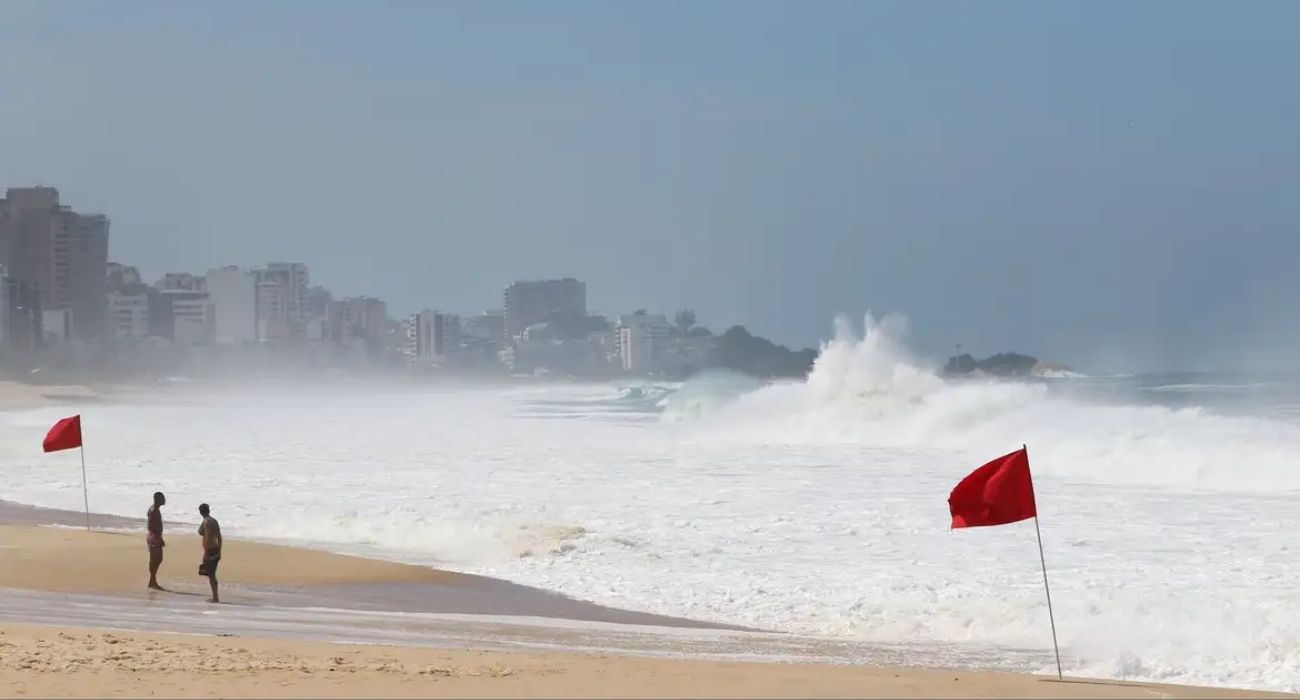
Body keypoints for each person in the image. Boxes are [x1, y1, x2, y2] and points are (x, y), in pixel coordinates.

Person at [197, 503, 222, 603]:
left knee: (211, 575)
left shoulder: (207, 522)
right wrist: (220, 550)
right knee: (211, 573)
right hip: (215, 549)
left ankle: (215, 597)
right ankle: (215, 596)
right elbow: (219, 537)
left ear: (200, 512)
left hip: (210, 550)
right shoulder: (214, 521)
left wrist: (205, 553)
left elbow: (207, 537)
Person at [146, 491, 166, 590]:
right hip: (154, 536)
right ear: (158, 499)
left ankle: (152, 580)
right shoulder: (154, 510)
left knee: (157, 559)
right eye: (163, 498)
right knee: (156, 559)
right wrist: (157, 538)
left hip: (154, 536)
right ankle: (152, 581)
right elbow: (153, 525)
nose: (164, 500)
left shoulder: (153, 509)